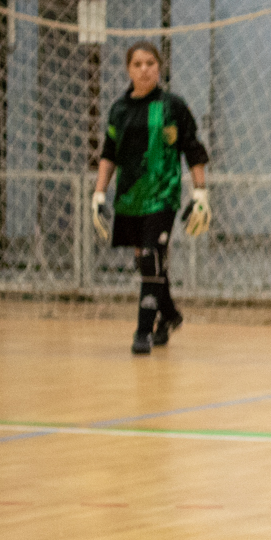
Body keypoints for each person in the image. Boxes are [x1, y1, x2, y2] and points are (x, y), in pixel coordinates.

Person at [92, 41, 211, 355]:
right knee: (147, 262)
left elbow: (192, 149)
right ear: (128, 69)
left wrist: (200, 193)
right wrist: (99, 193)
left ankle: (143, 330)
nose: (144, 69)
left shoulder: (173, 106)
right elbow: (108, 154)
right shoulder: (120, 109)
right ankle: (169, 316)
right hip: (130, 198)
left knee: (149, 256)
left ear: (159, 67)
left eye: (150, 63)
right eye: (137, 64)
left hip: (163, 196)